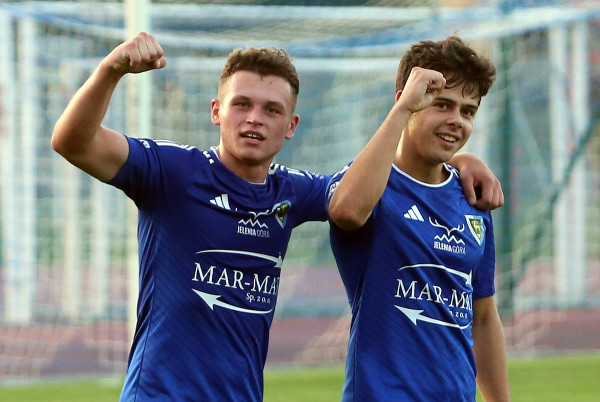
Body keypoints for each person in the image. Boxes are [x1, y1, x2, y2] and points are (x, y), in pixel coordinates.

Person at [51, 32, 503, 401]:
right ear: (216, 112)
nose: (255, 119)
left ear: (290, 126)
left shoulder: (293, 192)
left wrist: (460, 161)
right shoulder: (173, 172)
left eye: (271, 110)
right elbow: (73, 141)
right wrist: (111, 70)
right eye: (241, 104)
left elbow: (355, 193)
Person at [327, 36, 511, 401]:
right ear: (407, 101)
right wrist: (401, 112)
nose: (456, 120)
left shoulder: (472, 197)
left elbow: (483, 317)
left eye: (468, 111)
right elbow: (346, 211)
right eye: (441, 104)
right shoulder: (368, 186)